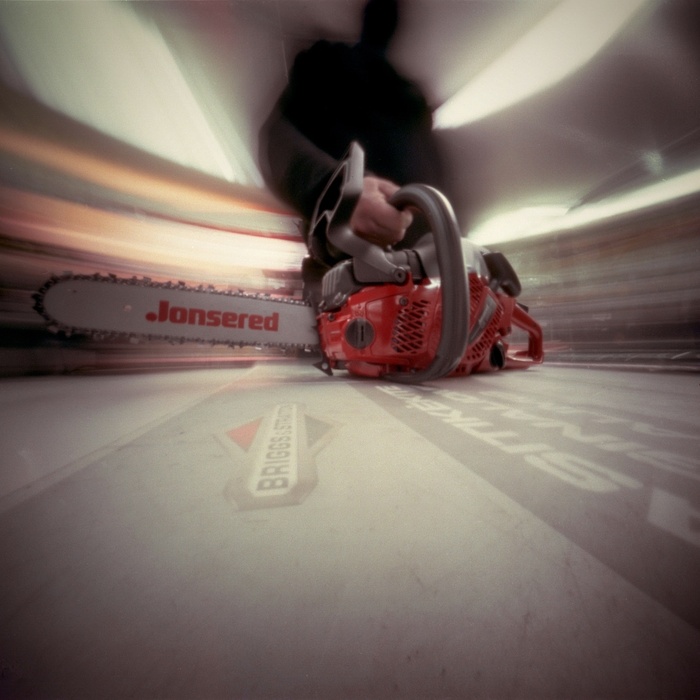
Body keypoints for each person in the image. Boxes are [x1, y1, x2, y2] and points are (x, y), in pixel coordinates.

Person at [258, 0, 446, 273]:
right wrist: (342, 194)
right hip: (345, 265)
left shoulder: (410, 101)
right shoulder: (328, 67)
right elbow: (280, 141)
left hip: (416, 269)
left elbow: (437, 180)